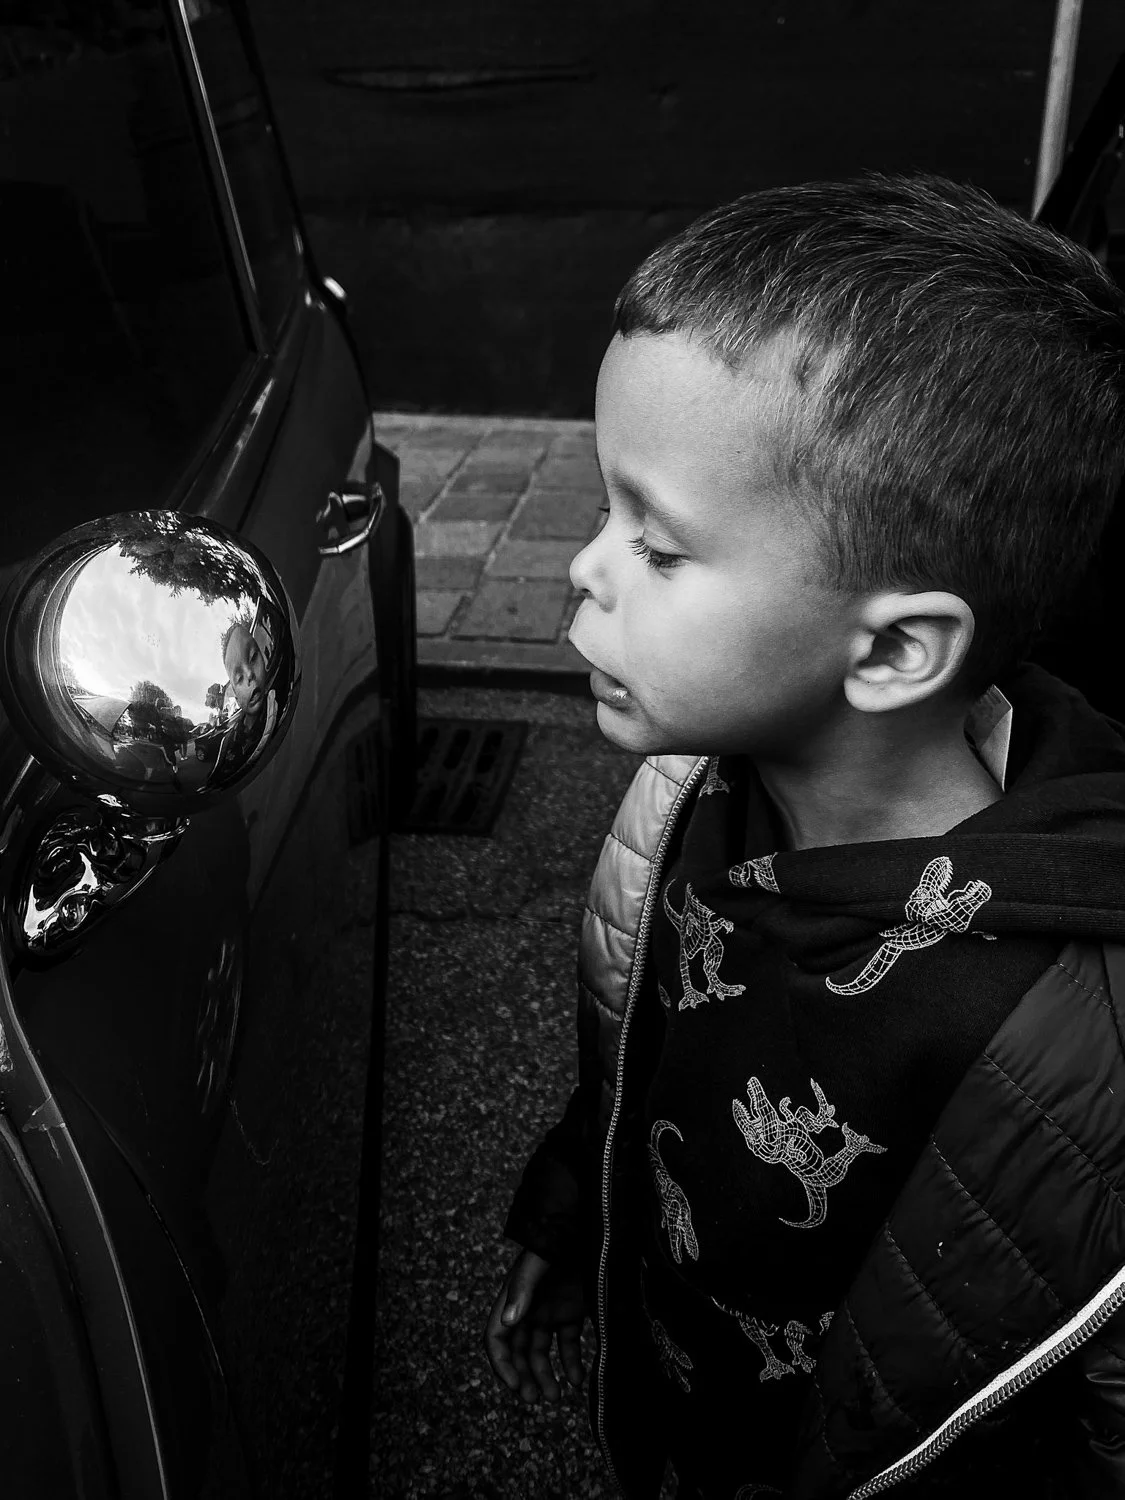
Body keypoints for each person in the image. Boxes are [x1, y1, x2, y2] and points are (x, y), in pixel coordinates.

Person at [482, 174, 1125, 1499]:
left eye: (658, 547)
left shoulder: (1086, 1037)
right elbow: (643, 1049)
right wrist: (571, 1207)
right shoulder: (685, 794)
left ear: (889, 648)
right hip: (683, 1397)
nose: (584, 569)